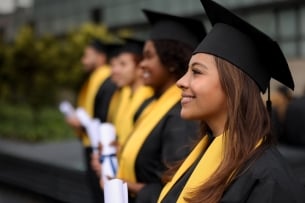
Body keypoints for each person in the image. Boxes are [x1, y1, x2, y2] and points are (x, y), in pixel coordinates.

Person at [157, 0, 305, 202]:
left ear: (233, 86)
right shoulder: (201, 153)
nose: (181, 82)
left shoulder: (267, 180)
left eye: (196, 72)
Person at [116, 10, 206, 203]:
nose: (142, 65)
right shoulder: (153, 106)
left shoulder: (181, 116)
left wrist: (130, 188)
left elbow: (178, 187)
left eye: (148, 57)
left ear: (171, 62)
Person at [65, 38, 117, 203]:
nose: (83, 60)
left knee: (101, 193)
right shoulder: (93, 79)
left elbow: (103, 117)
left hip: (100, 146)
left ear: (101, 57)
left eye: (87, 55)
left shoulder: (107, 81)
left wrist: (81, 124)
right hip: (91, 143)